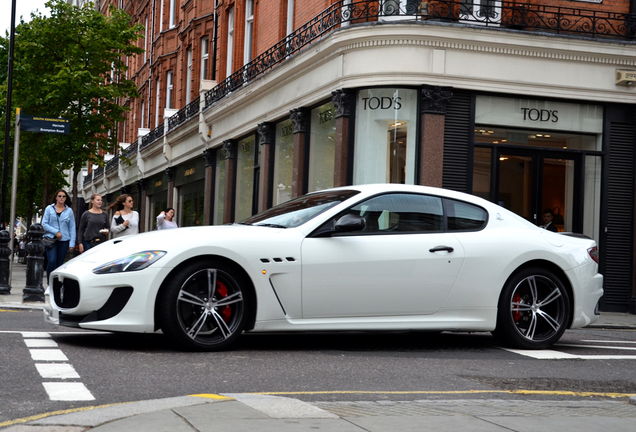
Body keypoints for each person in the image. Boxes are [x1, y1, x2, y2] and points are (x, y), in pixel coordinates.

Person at [41, 189, 76, 287]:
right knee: (51, 261)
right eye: (59, 196)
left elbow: (72, 228)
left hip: (64, 241)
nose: (61, 198)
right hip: (50, 239)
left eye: (64, 196)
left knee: (60, 264)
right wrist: (56, 232)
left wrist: (72, 243)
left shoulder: (69, 211)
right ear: (56, 197)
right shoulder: (49, 209)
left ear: (66, 198)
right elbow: (44, 223)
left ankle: (56, 285)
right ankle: (49, 284)